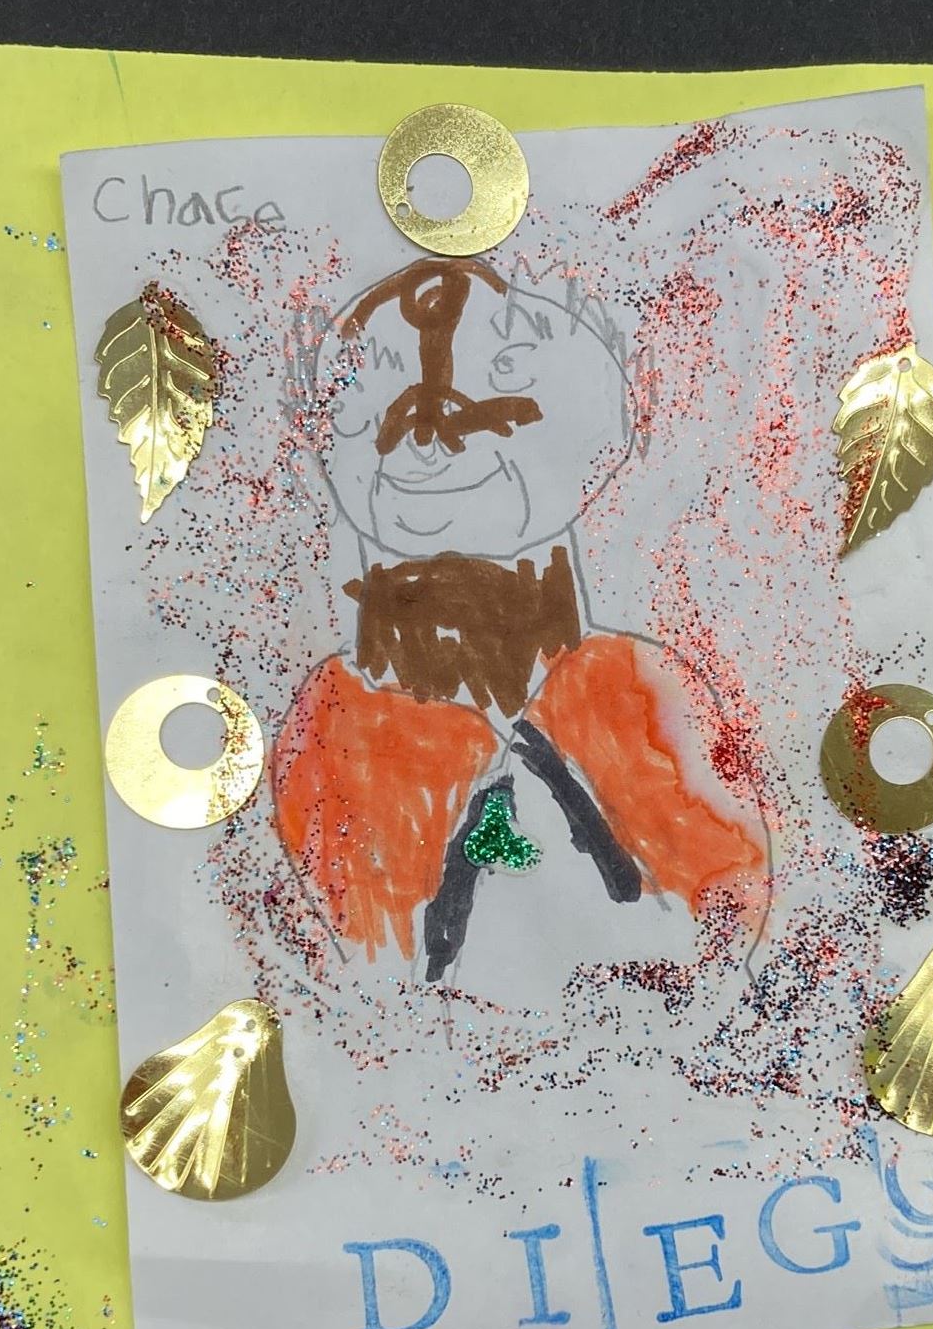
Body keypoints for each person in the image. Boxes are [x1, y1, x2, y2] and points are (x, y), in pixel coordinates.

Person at [272, 255, 769, 986]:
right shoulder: (331, 727)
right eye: (365, 389)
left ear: (620, 407)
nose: (427, 424)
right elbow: (339, 973)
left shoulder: (641, 695)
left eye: (505, 366)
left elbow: (731, 920)